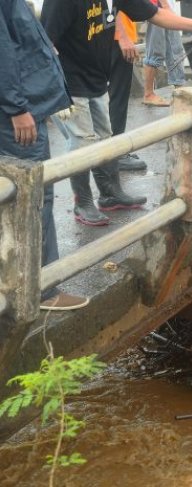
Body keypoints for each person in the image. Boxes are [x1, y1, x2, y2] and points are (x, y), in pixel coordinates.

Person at [41, 0, 192, 226]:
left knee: (106, 136)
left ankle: (109, 193)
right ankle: (82, 201)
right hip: (70, 82)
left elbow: (155, 14)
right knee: (82, 141)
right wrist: (56, 89)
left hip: (95, 78)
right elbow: (44, 42)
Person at [0, 0, 88, 310]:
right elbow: (3, 49)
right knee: (34, 197)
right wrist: (18, 108)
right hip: (16, 113)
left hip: (16, 106)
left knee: (14, 195)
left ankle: (16, 280)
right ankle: (43, 290)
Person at [109, 12, 148, 171]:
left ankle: (115, 149)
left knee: (117, 95)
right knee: (117, 95)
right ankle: (115, 153)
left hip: (115, 34)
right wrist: (122, 36)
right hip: (116, 38)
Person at [142, 0, 187, 107]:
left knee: (175, 48)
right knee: (155, 51)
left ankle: (179, 90)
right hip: (157, 9)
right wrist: (166, 6)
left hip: (166, 10)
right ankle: (148, 94)